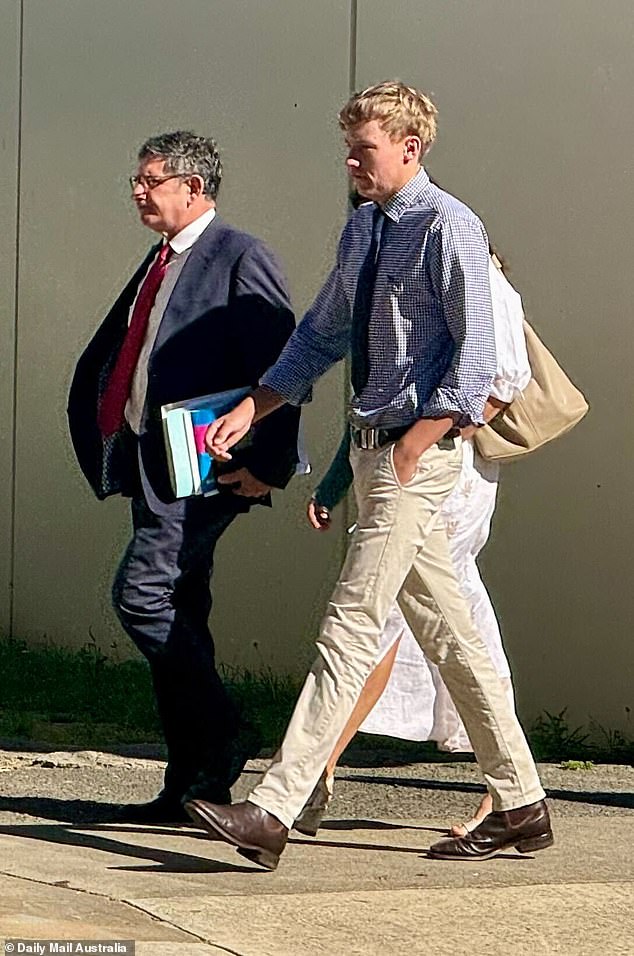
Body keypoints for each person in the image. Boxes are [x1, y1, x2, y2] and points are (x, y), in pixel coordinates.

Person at [185, 81, 552, 867]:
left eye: (366, 147)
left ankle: (274, 808)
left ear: (411, 149)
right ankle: (522, 802)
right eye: (348, 146)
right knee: (451, 636)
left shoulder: (452, 227)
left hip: (415, 458)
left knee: (351, 625)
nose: (352, 160)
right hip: (375, 451)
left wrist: (415, 446)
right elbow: (321, 334)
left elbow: (480, 362)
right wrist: (258, 407)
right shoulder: (362, 230)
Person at [68, 131, 300, 824]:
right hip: (151, 460)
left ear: (194, 188)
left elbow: (284, 363)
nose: (138, 190)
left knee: (142, 595)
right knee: (180, 606)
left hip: (211, 468)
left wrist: (269, 465)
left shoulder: (239, 256)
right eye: (137, 178)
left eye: (151, 180)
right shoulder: (163, 256)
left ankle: (225, 732)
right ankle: (193, 783)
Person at [294, 249, 531, 838]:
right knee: (431, 622)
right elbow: (381, 398)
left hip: (444, 476)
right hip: (407, 468)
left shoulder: (474, 273)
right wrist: (341, 475)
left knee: (386, 622)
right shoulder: (396, 279)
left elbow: (504, 375)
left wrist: (427, 441)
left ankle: (303, 782)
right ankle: (515, 794)